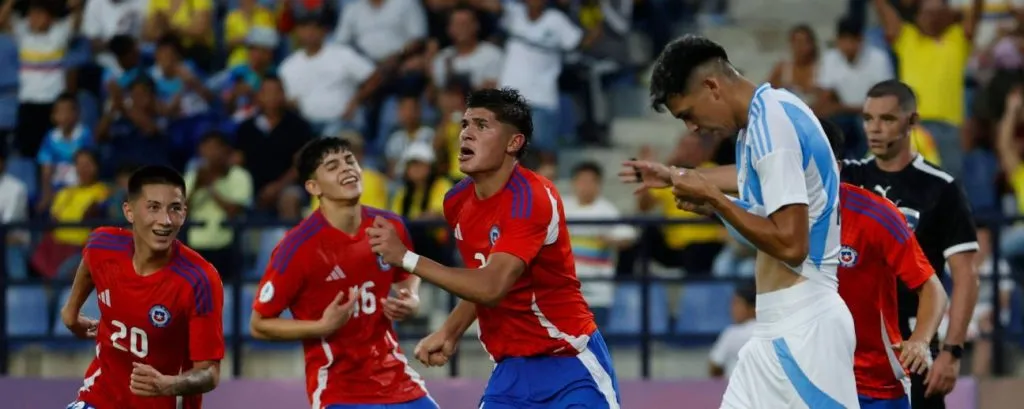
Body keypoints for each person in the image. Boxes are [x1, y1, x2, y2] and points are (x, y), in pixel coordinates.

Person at [621, 34, 857, 408]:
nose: (692, 129)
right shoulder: (763, 121)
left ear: (711, 86)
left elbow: (792, 246)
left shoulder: (772, 127)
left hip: (805, 329)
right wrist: (674, 177)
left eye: (687, 114)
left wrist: (715, 200)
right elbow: (746, 181)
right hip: (773, 330)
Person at [367, 87, 621, 408]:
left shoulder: (532, 198)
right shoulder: (457, 201)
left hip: (570, 364)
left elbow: (491, 286)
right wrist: (450, 330)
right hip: (511, 370)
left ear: (513, 143)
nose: (467, 134)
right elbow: (482, 277)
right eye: (465, 125)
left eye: (482, 126)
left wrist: (405, 257)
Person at [249, 137, 436, 409]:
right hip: (339, 391)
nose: (347, 169)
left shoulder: (390, 225)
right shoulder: (297, 248)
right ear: (313, 187)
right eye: (333, 166)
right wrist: (321, 327)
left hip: (399, 380)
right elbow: (259, 324)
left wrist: (412, 298)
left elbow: (408, 269)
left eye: (350, 161)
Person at [842, 79, 979, 408]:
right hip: (851, 346)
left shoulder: (941, 189)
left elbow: (966, 276)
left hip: (912, 345)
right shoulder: (848, 178)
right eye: (868, 118)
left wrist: (952, 352)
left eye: (887, 119)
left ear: (913, 122)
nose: (874, 129)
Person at [60, 165, 224, 409]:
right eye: (153, 207)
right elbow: (90, 258)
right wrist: (71, 312)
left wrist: (167, 385)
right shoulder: (104, 244)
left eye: (175, 209)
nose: (166, 220)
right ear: (129, 211)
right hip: (100, 399)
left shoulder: (200, 280)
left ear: (184, 213)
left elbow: (209, 372)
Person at [825, 119, 949, 409]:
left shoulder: (876, 215)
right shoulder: (781, 216)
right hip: (808, 375)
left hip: (874, 384)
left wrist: (919, 340)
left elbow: (933, 288)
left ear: (838, 167)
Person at [708, 282, 756, 379]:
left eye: (737, 304)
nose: (732, 309)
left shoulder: (731, 333)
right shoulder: (768, 329)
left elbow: (714, 365)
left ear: (752, 308)